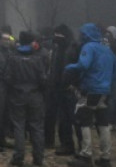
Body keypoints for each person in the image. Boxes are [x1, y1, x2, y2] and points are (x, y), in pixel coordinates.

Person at [64, 23, 116, 167]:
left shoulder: (88, 47)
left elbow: (83, 64)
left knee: (84, 121)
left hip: (90, 90)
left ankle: (85, 155)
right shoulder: (106, 48)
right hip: (105, 92)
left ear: (86, 35)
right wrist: (109, 81)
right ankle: (105, 158)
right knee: (103, 124)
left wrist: (70, 67)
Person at [6, 31, 48, 167]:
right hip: (35, 95)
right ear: (32, 42)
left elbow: (8, 77)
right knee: (37, 127)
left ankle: (18, 158)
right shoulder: (37, 58)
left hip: (17, 95)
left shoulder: (13, 57)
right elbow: (43, 79)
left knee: (19, 126)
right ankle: (38, 158)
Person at [47, 23, 78, 156]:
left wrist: (73, 83)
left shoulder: (70, 49)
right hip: (58, 87)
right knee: (64, 118)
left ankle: (72, 145)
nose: (56, 37)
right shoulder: (59, 48)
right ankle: (66, 143)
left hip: (67, 88)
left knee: (70, 118)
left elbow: (75, 68)